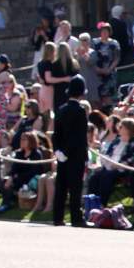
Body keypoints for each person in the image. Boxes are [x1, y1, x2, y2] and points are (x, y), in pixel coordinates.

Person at [86, 116, 134, 202]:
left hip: (122, 170)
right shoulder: (117, 141)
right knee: (94, 177)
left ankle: (102, 203)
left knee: (106, 176)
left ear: (128, 129)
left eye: (121, 127)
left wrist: (119, 165)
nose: (118, 129)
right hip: (108, 166)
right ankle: (91, 203)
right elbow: (108, 154)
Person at [51, 93, 89, 227]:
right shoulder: (80, 111)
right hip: (75, 154)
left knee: (61, 186)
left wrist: (58, 150)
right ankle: (76, 218)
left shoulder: (61, 109)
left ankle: (57, 217)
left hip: (62, 154)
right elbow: (80, 136)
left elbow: (56, 133)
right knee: (75, 188)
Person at [91, 22, 121, 105]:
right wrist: (98, 69)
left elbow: (117, 58)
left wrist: (109, 69)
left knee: (109, 96)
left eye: (106, 31)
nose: (104, 33)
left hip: (110, 72)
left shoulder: (114, 43)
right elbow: (91, 56)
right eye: (102, 31)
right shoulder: (94, 42)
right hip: (97, 73)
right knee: (97, 96)